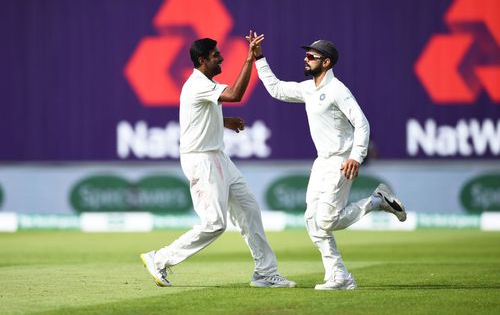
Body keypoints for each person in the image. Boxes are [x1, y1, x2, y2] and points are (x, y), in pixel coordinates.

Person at [140, 32, 296, 288]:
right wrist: (250, 59)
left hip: (218, 157)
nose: (221, 58)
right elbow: (235, 95)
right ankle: (159, 259)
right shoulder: (197, 84)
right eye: (216, 55)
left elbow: (197, 119)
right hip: (201, 160)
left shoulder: (204, 85)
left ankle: (265, 273)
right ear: (202, 60)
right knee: (215, 224)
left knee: (249, 210)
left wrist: (224, 122)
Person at [250, 37, 407, 290]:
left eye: (311, 56)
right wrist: (259, 58)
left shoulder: (338, 90)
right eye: (307, 55)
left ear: (326, 62)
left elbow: (362, 123)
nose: (306, 59)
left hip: (341, 161)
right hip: (322, 162)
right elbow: (276, 89)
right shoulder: (309, 88)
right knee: (312, 220)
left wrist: (356, 155)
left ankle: (376, 201)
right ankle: (339, 276)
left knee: (326, 221)